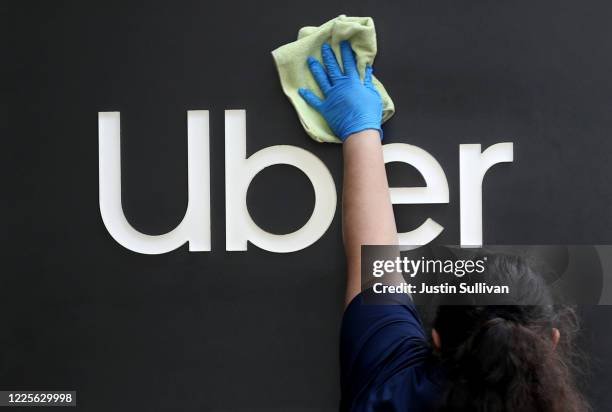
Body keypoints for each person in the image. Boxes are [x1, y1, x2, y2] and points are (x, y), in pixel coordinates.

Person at [298, 41, 589, 411]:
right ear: (552, 340)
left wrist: (360, 129)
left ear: (435, 339)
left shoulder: (390, 387)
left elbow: (372, 257)